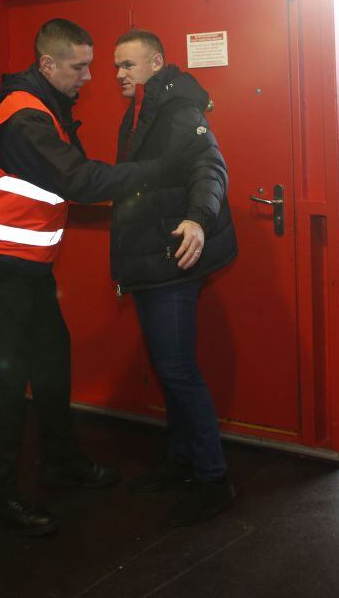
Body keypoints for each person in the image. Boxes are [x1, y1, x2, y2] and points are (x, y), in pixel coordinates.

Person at [0, 18, 193, 537]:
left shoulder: (47, 108)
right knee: (9, 380)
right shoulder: (24, 119)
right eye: (80, 67)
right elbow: (79, 181)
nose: (89, 76)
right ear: (48, 65)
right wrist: (166, 169)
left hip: (22, 261)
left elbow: (62, 186)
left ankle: (61, 461)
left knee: (53, 358)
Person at [109, 29, 237, 525]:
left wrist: (199, 220)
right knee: (169, 366)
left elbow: (211, 168)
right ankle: (182, 461)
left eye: (129, 65)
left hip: (171, 256)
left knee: (178, 369)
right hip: (149, 258)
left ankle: (212, 476)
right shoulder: (140, 111)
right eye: (117, 65)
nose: (120, 73)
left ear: (157, 63)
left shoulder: (180, 111)